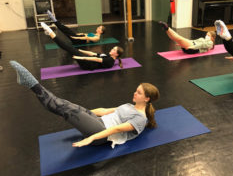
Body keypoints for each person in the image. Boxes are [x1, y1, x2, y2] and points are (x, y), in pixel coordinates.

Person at [9, 61, 160, 148]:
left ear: (147, 99)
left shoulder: (140, 119)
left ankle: (32, 84)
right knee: (69, 105)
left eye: (139, 93)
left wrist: (91, 138)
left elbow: (116, 128)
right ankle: (30, 84)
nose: (134, 93)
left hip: (102, 133)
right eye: (136, 90)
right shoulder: (129, 105)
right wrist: (82, 112)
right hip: (100, 122)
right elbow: (105, 110)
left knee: (64, 108)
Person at [41, 22, 124, 70]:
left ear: (116, 54)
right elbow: (93, 54)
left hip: (88, 65)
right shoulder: (108, 56)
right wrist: (81, 51)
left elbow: (96, 59)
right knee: (69, 48)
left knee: (67, 47)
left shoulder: (110, 61)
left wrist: (81, 57)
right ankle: (51, 33)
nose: (112, 49)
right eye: (113, 48)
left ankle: (50, 33)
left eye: (114, 50)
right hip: (87, 62)